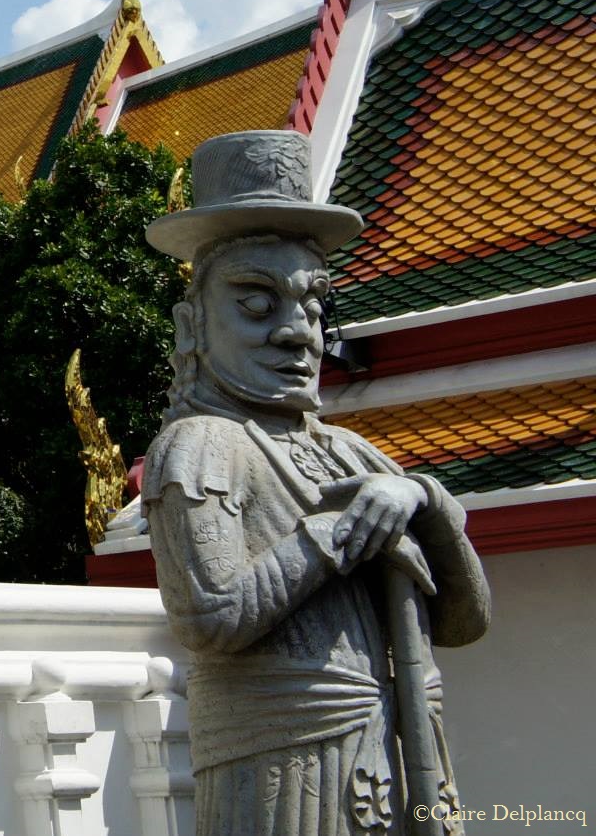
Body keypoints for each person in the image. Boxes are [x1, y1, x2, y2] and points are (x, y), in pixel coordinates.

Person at [142, 130, 488, 836]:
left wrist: (421, 500)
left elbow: (464, 620)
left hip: (397, 751)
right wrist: (334, 534)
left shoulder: (354, 453)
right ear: (193, 325)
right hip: (279, 766)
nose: (299, 333)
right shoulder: (200, 445)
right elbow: (210, 616)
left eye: (312, 305)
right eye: (258, 303)